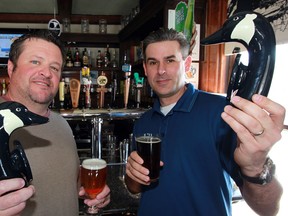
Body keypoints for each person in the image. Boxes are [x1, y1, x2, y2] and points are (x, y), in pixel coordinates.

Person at [125, 28, 285, 216]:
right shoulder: (143, 122)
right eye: (153, 62)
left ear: (186, 64)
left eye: (170, 60)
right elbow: (135, 187)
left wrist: (256, 167)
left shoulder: (223, 112)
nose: (161, 70)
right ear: (145, 69)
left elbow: (268, 209)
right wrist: (132, 176)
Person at [0, 30, 110, 216]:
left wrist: (91, 194)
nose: (46, 73)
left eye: (55, 67)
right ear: (11, 68)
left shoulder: (61, 123)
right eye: (35, 62)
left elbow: (68, 188)